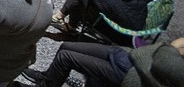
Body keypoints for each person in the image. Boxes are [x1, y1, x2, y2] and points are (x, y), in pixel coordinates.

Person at [21, 37, 184, 87]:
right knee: (66, 46)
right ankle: (47, 77)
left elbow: (163, 56)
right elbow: (159, 50)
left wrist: (160, 50)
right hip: (127, 55)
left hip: (131, 76)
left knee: (66, 57)